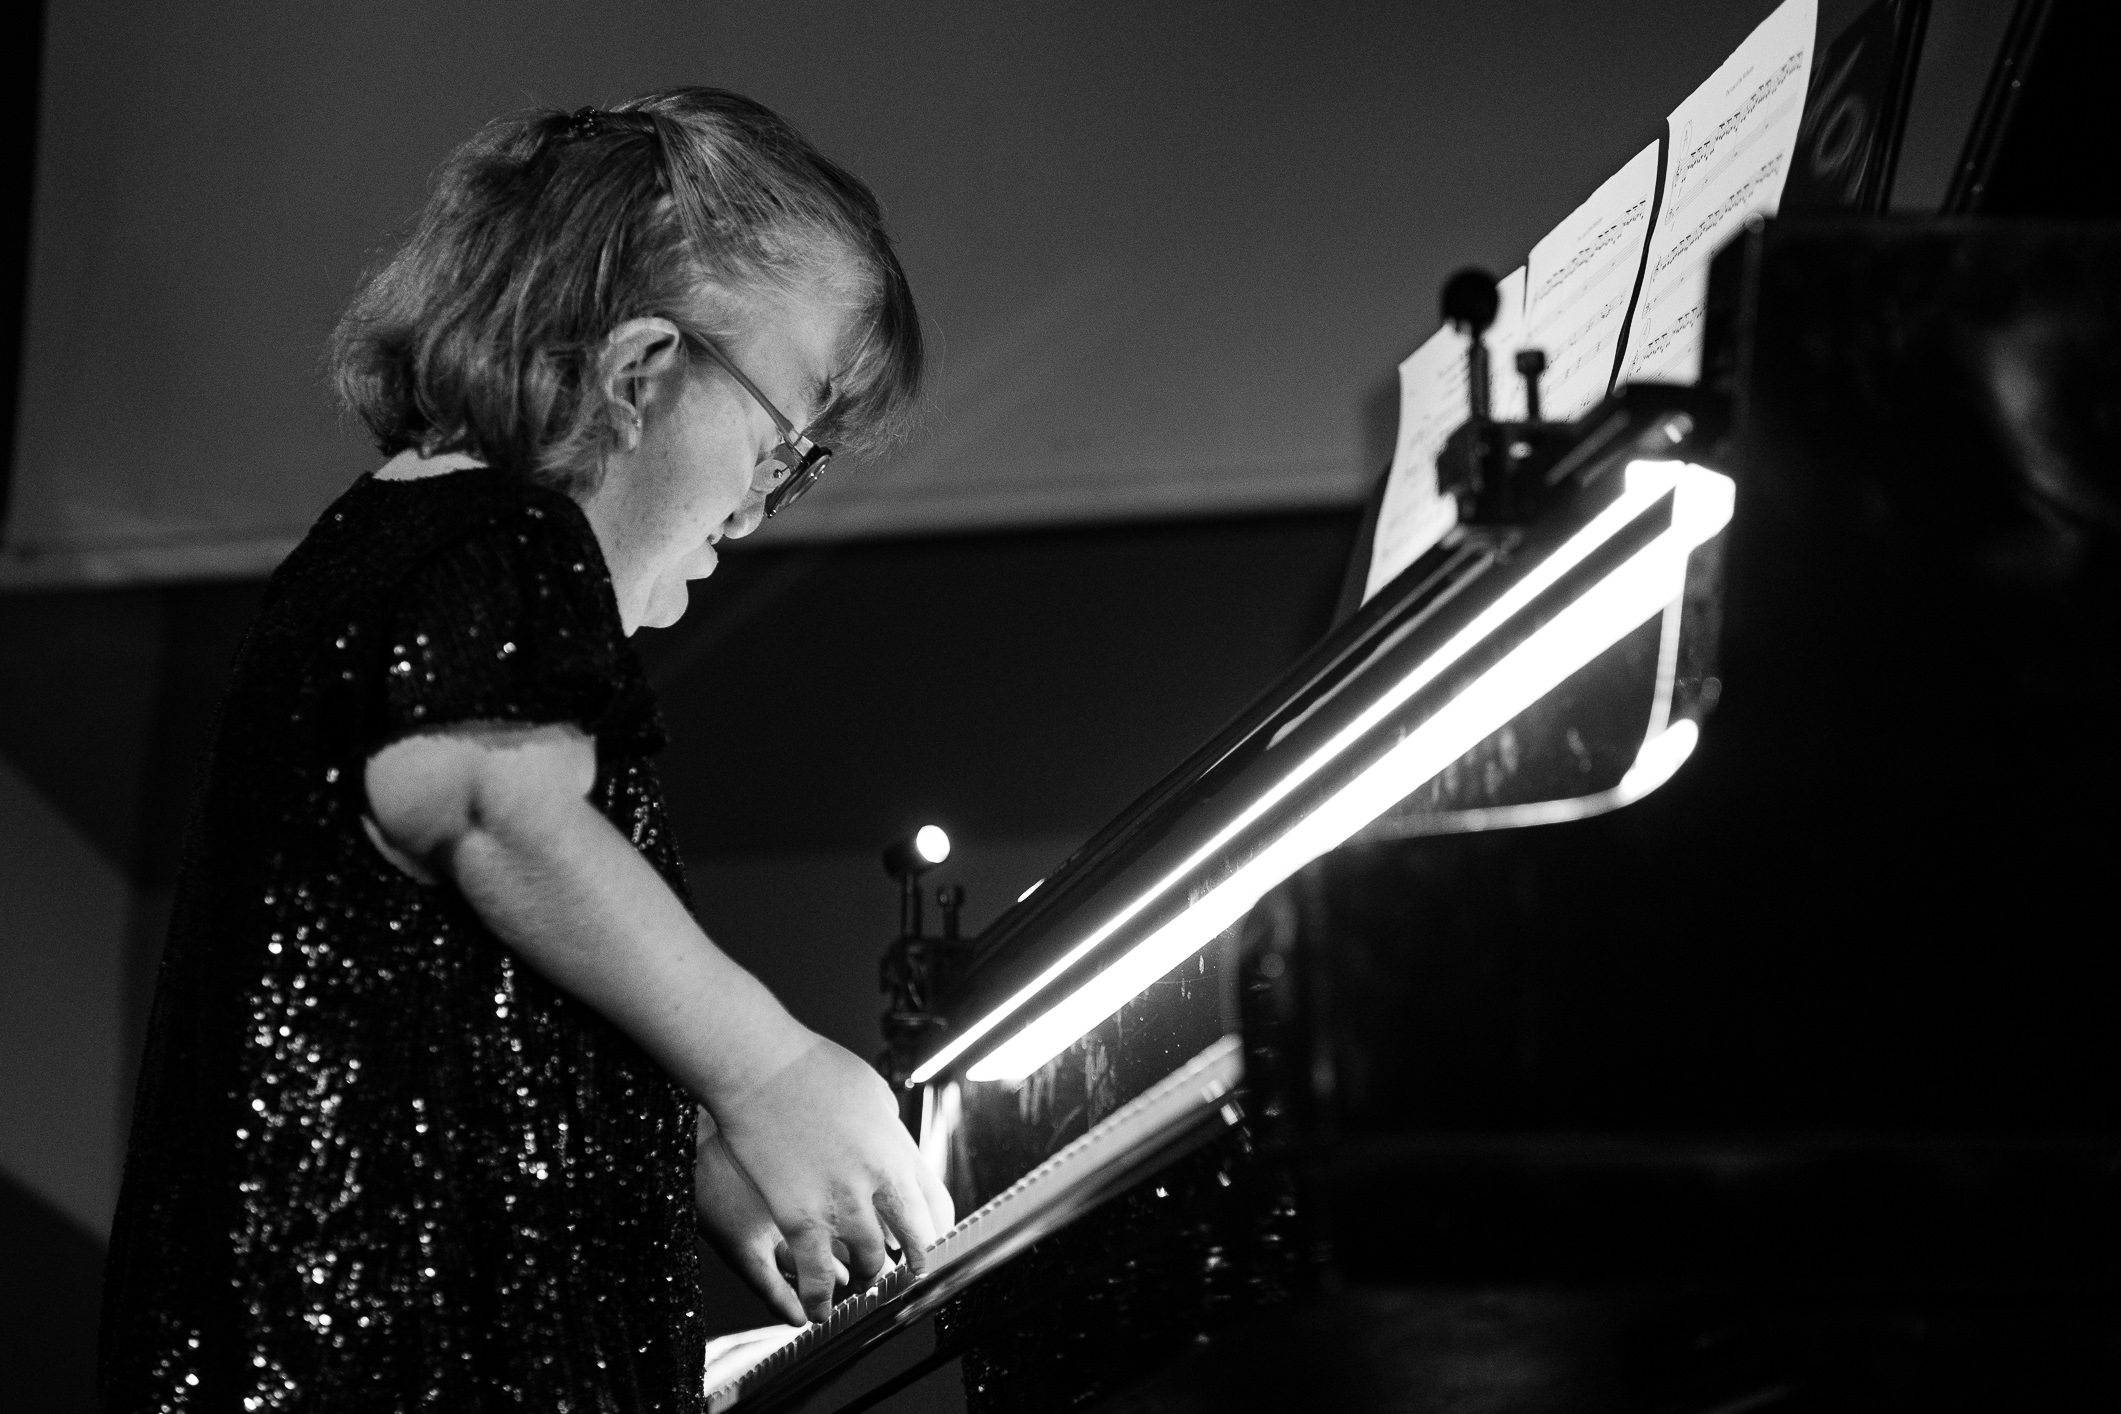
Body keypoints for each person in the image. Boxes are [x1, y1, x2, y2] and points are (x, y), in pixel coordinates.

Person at [98, 88, 952, 1412]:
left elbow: (493, 1020)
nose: (763, 505)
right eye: (784, 447)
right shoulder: (493, 533)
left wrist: (701, 1157)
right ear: (640, 371)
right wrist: (764, 1067)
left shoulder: (419, 558)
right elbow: (483, 803)